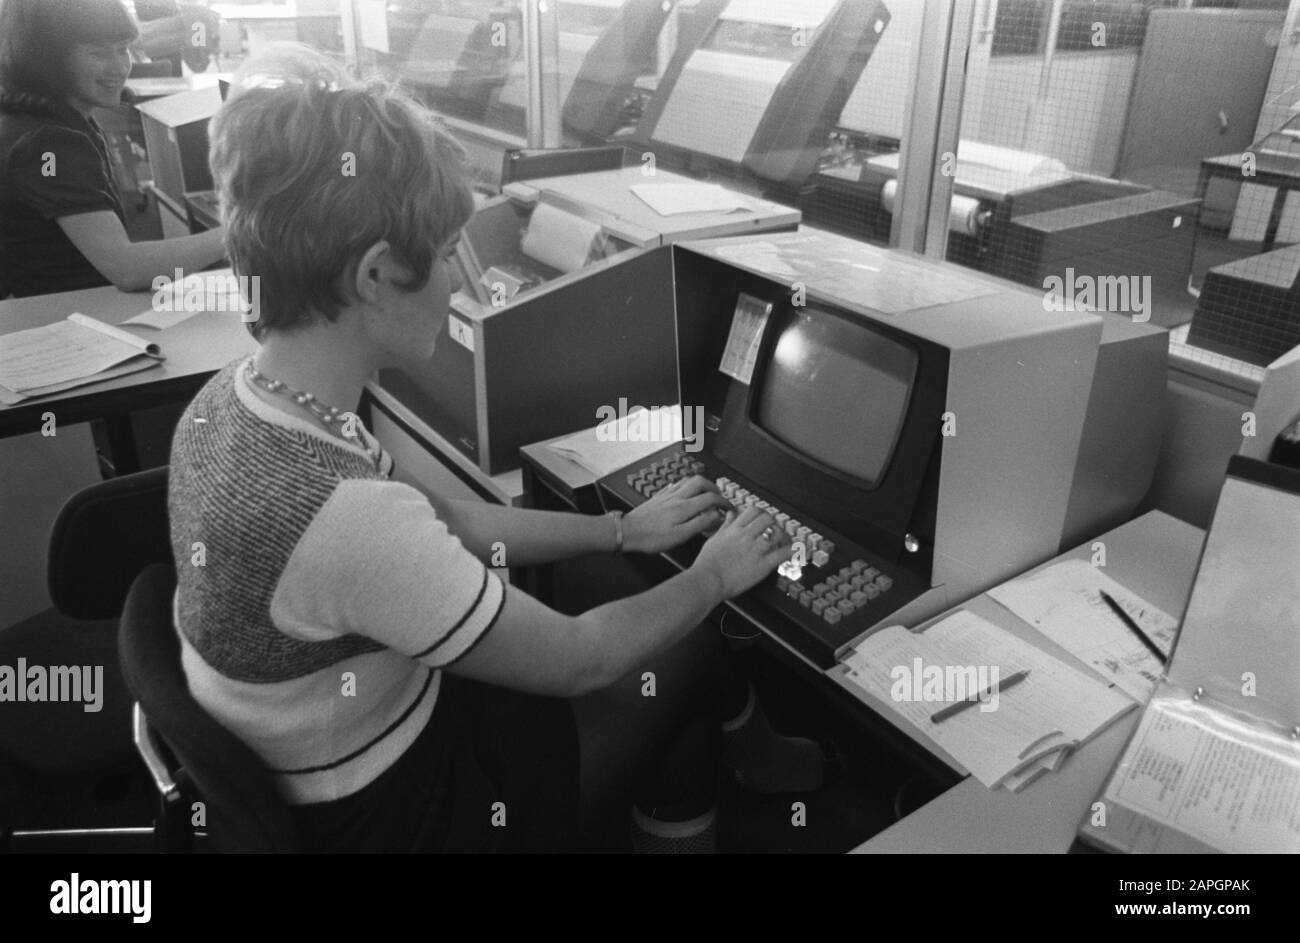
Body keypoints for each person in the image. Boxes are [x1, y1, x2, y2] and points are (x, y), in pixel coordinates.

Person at [169, 44, 822, 853]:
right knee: (679, 651)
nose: (457, 283)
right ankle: (744, 771)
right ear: (374, 276)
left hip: (329, 753)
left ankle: (749, 764)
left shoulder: (234, 402)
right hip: (406, 812)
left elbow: (441, 517)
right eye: (446, 258)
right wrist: (716, 571)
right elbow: (583, 658)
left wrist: (620, 533)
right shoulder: (343, 518)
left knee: (647, 611)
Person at [0, 0, 226, 298]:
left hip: (70, 301)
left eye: (122, 50)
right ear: (48, 59)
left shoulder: (39, 119)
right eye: (98, 53)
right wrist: (243, 232)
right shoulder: (48, 147)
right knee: (253, 304)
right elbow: (127, 268)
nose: (120, 67)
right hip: (71, 311)